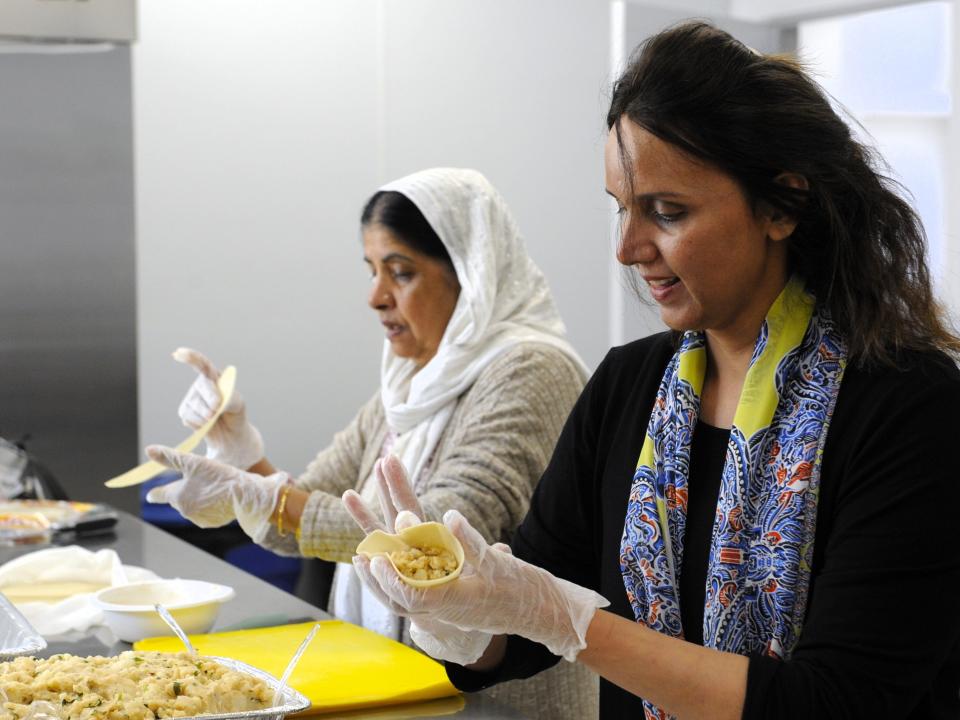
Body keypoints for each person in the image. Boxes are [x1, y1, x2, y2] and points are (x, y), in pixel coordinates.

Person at [343, 22, 960, 720]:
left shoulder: (909, 406)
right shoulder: (628, 389)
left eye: (667, 212)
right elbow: (523, 634)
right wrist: (463, 611)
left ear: (782, 205)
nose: (629, 248)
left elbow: (835, 702)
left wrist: (571, 622)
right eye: (622, 209)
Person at [145, 167, 599, 719]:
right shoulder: (412, 380)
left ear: (471, 273)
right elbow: (306, 520)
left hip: (499, 702)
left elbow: (440, 533)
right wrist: (242, 455)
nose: (376, 297)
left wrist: (265, 497)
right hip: (401, 685)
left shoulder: (531, 368)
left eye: (400, 272)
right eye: (373, 271)